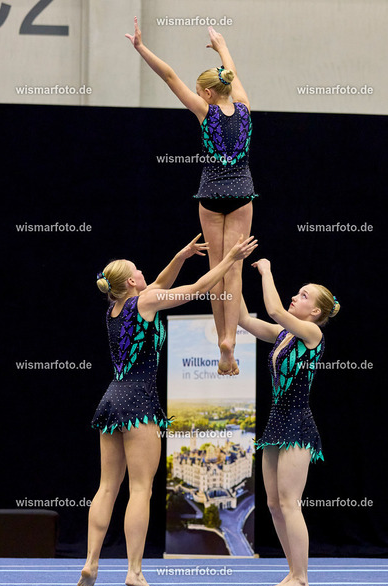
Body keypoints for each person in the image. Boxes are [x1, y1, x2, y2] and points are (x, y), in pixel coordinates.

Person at [76, 233, 258, 586]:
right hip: (139, 402)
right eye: (138, 270)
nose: (144, 272)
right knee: (140, 489)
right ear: (132, 281)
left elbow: (160, 283)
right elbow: (196, 289)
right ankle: (134, 570)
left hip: (112, 399)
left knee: (107, 487)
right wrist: (230, 260)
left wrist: (182, 255)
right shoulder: (145, 301)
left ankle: (91, 562)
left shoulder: (115, 308)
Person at [125, 18, 256, 376]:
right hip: (242, 193)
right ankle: (231, 339)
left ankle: (221, 338)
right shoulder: (244, 107)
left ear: (208, 95)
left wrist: (141, 48)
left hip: (211, 194)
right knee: (235, 268)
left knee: (216, 269)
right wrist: (222, 47)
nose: (198, 96)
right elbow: (231, 74)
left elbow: (169, 77)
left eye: (200, 92)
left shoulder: (205, 113)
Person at [238, 258, 340, 586]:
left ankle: (301, 579)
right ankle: (292, 571)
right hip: (276, 423)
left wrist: (267, 271)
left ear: (316, 311)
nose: (296, 297)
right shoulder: (283, 335)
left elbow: (275, 310)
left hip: (297, 423)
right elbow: (242, 319)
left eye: (303, 295)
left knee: (289, 502)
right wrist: (231, 272)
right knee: (273, 504)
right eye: (298, 292)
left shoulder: (313, 333)